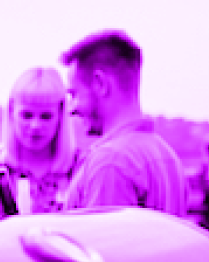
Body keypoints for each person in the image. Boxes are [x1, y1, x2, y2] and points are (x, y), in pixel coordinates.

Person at [61, 30, 185, 214]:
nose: (71, 109)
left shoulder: (111, 161)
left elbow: (101, 241)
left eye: (74, 94)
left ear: (99, 83)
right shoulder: (168, 157)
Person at [0, 67, 82, 216]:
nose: (35, 126)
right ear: (11, 112)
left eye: (46, 116)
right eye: (26, 115)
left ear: (61, 117)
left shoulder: (82, 168)